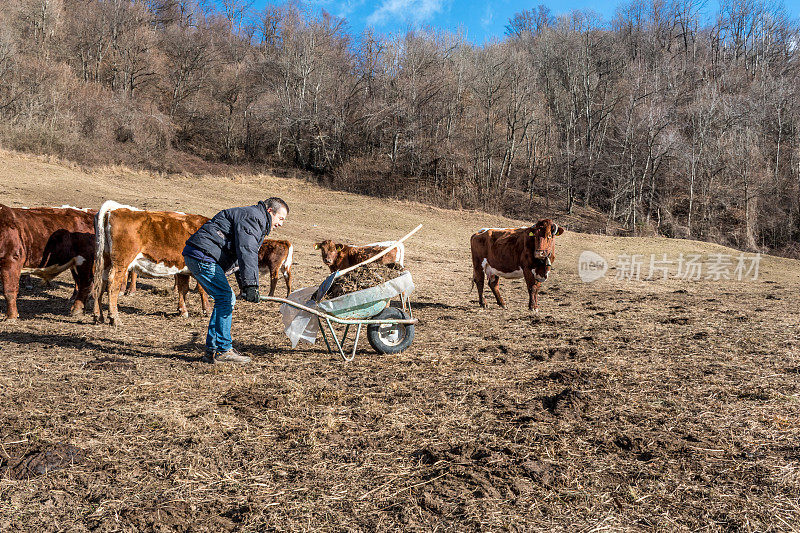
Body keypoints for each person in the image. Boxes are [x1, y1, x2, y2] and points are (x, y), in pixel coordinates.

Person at [183, 197, 289, 363]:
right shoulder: (255, 218)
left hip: (200, 254)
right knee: (226, 298)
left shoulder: (255, 218)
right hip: (203, 256)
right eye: (280, 218)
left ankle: (213, 350)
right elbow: (247, 251)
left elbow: (239, 256)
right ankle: (222, 349)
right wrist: (252, 285)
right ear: (270, 211)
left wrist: (245, 287)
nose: (281, 224)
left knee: (223, 298)